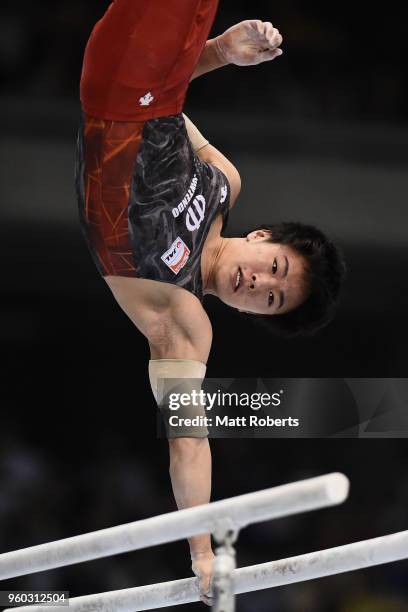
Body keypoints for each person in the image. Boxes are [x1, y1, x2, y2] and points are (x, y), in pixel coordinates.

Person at [76, 1, 345, 604]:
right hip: (148, 82)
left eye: (271, 301)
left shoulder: (182, 319)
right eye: (273, 269)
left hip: (117, 90)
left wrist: (202, 551)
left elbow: (189, 441)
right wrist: (221, 52)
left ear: (253, 316)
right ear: (262, 236)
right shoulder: (225, 179)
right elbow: (170, 101)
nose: (259, 285)